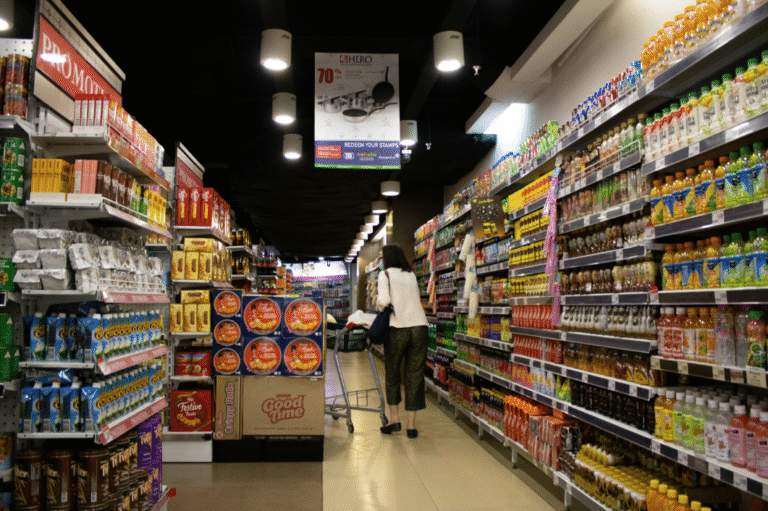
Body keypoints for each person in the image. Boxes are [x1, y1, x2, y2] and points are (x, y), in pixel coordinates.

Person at [376, 244, 429, 438]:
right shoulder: (411, 274)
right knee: (414, 374)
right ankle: (411, 425)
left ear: (387, 258)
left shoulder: (385, 275)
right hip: (420, 327)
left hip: (398, 328)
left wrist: (378, 307)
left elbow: (383, 300)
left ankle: (394, 420)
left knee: (392, 373)